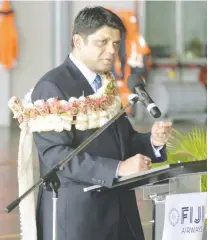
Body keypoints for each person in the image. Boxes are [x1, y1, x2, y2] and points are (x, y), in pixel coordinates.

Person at [31, 6, 172, 240]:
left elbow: (122, 140)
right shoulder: (53, 87)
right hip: (80, 217)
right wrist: (117, 169)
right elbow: (56, 156)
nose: (111, 51)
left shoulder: (107, 84)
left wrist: (152, 141)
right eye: (102, 42)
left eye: (116, 44)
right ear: (78, 41)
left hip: (120, 211)